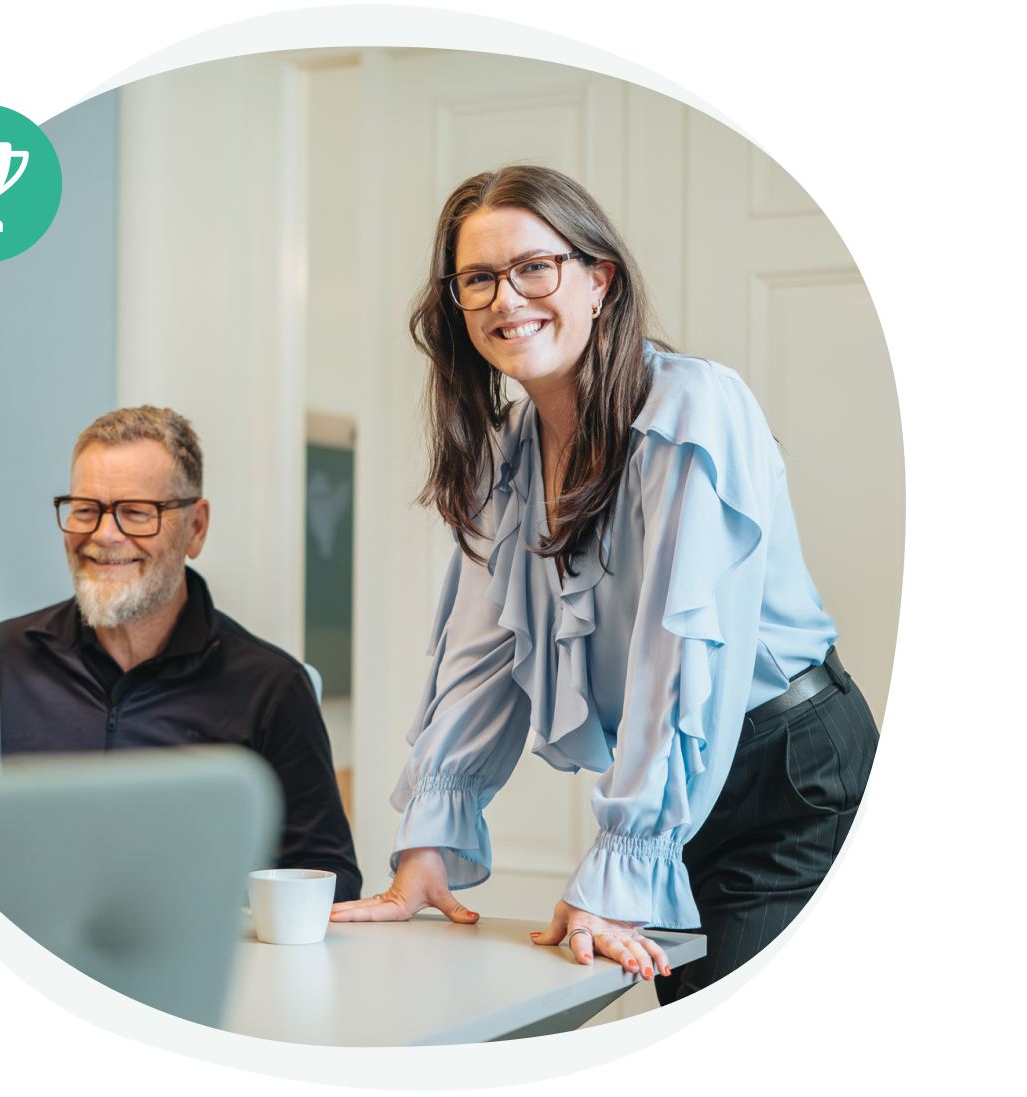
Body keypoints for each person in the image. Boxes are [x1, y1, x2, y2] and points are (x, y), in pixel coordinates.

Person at [329, 166, 879, 1002]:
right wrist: (428, 843)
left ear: (599, 280)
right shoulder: (504, 452)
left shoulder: (695, 409)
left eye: (535, 267)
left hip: (788, 776)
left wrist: (618, 868)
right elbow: (481, 656)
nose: (507, 298)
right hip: (682, 781)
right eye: (478, 278)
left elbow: (678, 653)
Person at [0, 406, 361, 902]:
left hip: (199, 960)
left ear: (196, 528)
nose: (104, 535)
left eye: (137, 512)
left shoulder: (272, 687)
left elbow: (328, 876)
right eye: (85, 508)